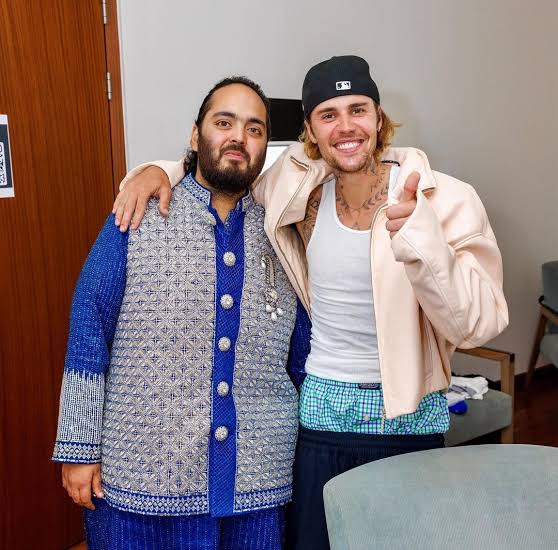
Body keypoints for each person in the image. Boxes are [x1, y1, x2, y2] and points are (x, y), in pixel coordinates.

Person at [113, 56, 508, 550]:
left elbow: (478, 325)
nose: (346, 127)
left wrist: (424, 243)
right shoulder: (297, 190)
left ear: (379, 118)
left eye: (358, 110)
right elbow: (228, 169)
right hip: (321, 415)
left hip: (409, 415)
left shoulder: (445, 198)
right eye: (328, 115)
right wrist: (161, 170)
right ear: (311, 132)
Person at [53, 76, 311, 550]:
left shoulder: (282, 234)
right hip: (140, 482)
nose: (239, 137)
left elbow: (302, 359)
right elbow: (89, 325)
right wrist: (78, 445)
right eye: (224, 123)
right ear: (196, 136)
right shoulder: (140, 214)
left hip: (257, 485)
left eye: (254, 129)